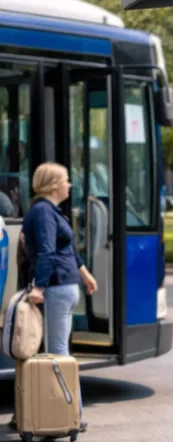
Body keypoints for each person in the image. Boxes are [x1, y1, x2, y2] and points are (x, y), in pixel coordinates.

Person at [23, 162, 97, 424]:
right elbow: (47, 251)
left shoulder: (49, 212)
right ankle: (70, 413)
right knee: (59, 351)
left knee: (57, 351)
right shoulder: (45, 212)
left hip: (61, 287)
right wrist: (40, 287)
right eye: (66, 180)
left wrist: (84, 274)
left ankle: (69, 414)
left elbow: (67, 250)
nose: (69, 184)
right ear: (53, 184)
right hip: (55, 286)